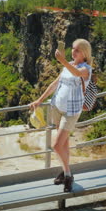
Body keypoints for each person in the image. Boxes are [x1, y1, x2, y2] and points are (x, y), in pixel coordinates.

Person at [29, 39, 93, 192]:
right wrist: (39, 100)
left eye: (77, 50)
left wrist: (62, 60)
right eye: (72, 49)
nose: (73, 52)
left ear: (84, 53)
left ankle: (68, 175)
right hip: (57, 107)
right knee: (63, 145)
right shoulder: (68, 65)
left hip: (71, 111)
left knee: (56, 145)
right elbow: (54, 84)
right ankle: (65, 173)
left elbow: (76, 73)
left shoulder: (86, 69)